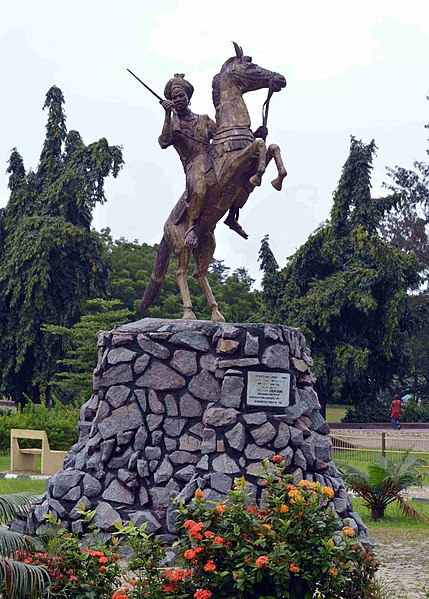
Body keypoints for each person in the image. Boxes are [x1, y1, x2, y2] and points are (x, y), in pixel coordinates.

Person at [158, 74, 217, 248]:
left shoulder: (204, 120)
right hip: (193, 165)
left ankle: (233, 215)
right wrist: (167, 114)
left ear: (187, 97)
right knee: (198, 187)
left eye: (181, 95)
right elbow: (163, 141)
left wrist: (254, 135)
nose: (178, 99)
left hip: (212, 161)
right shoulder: (174, 125)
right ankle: (192, 227)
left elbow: (222, 136)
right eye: (174, 97)